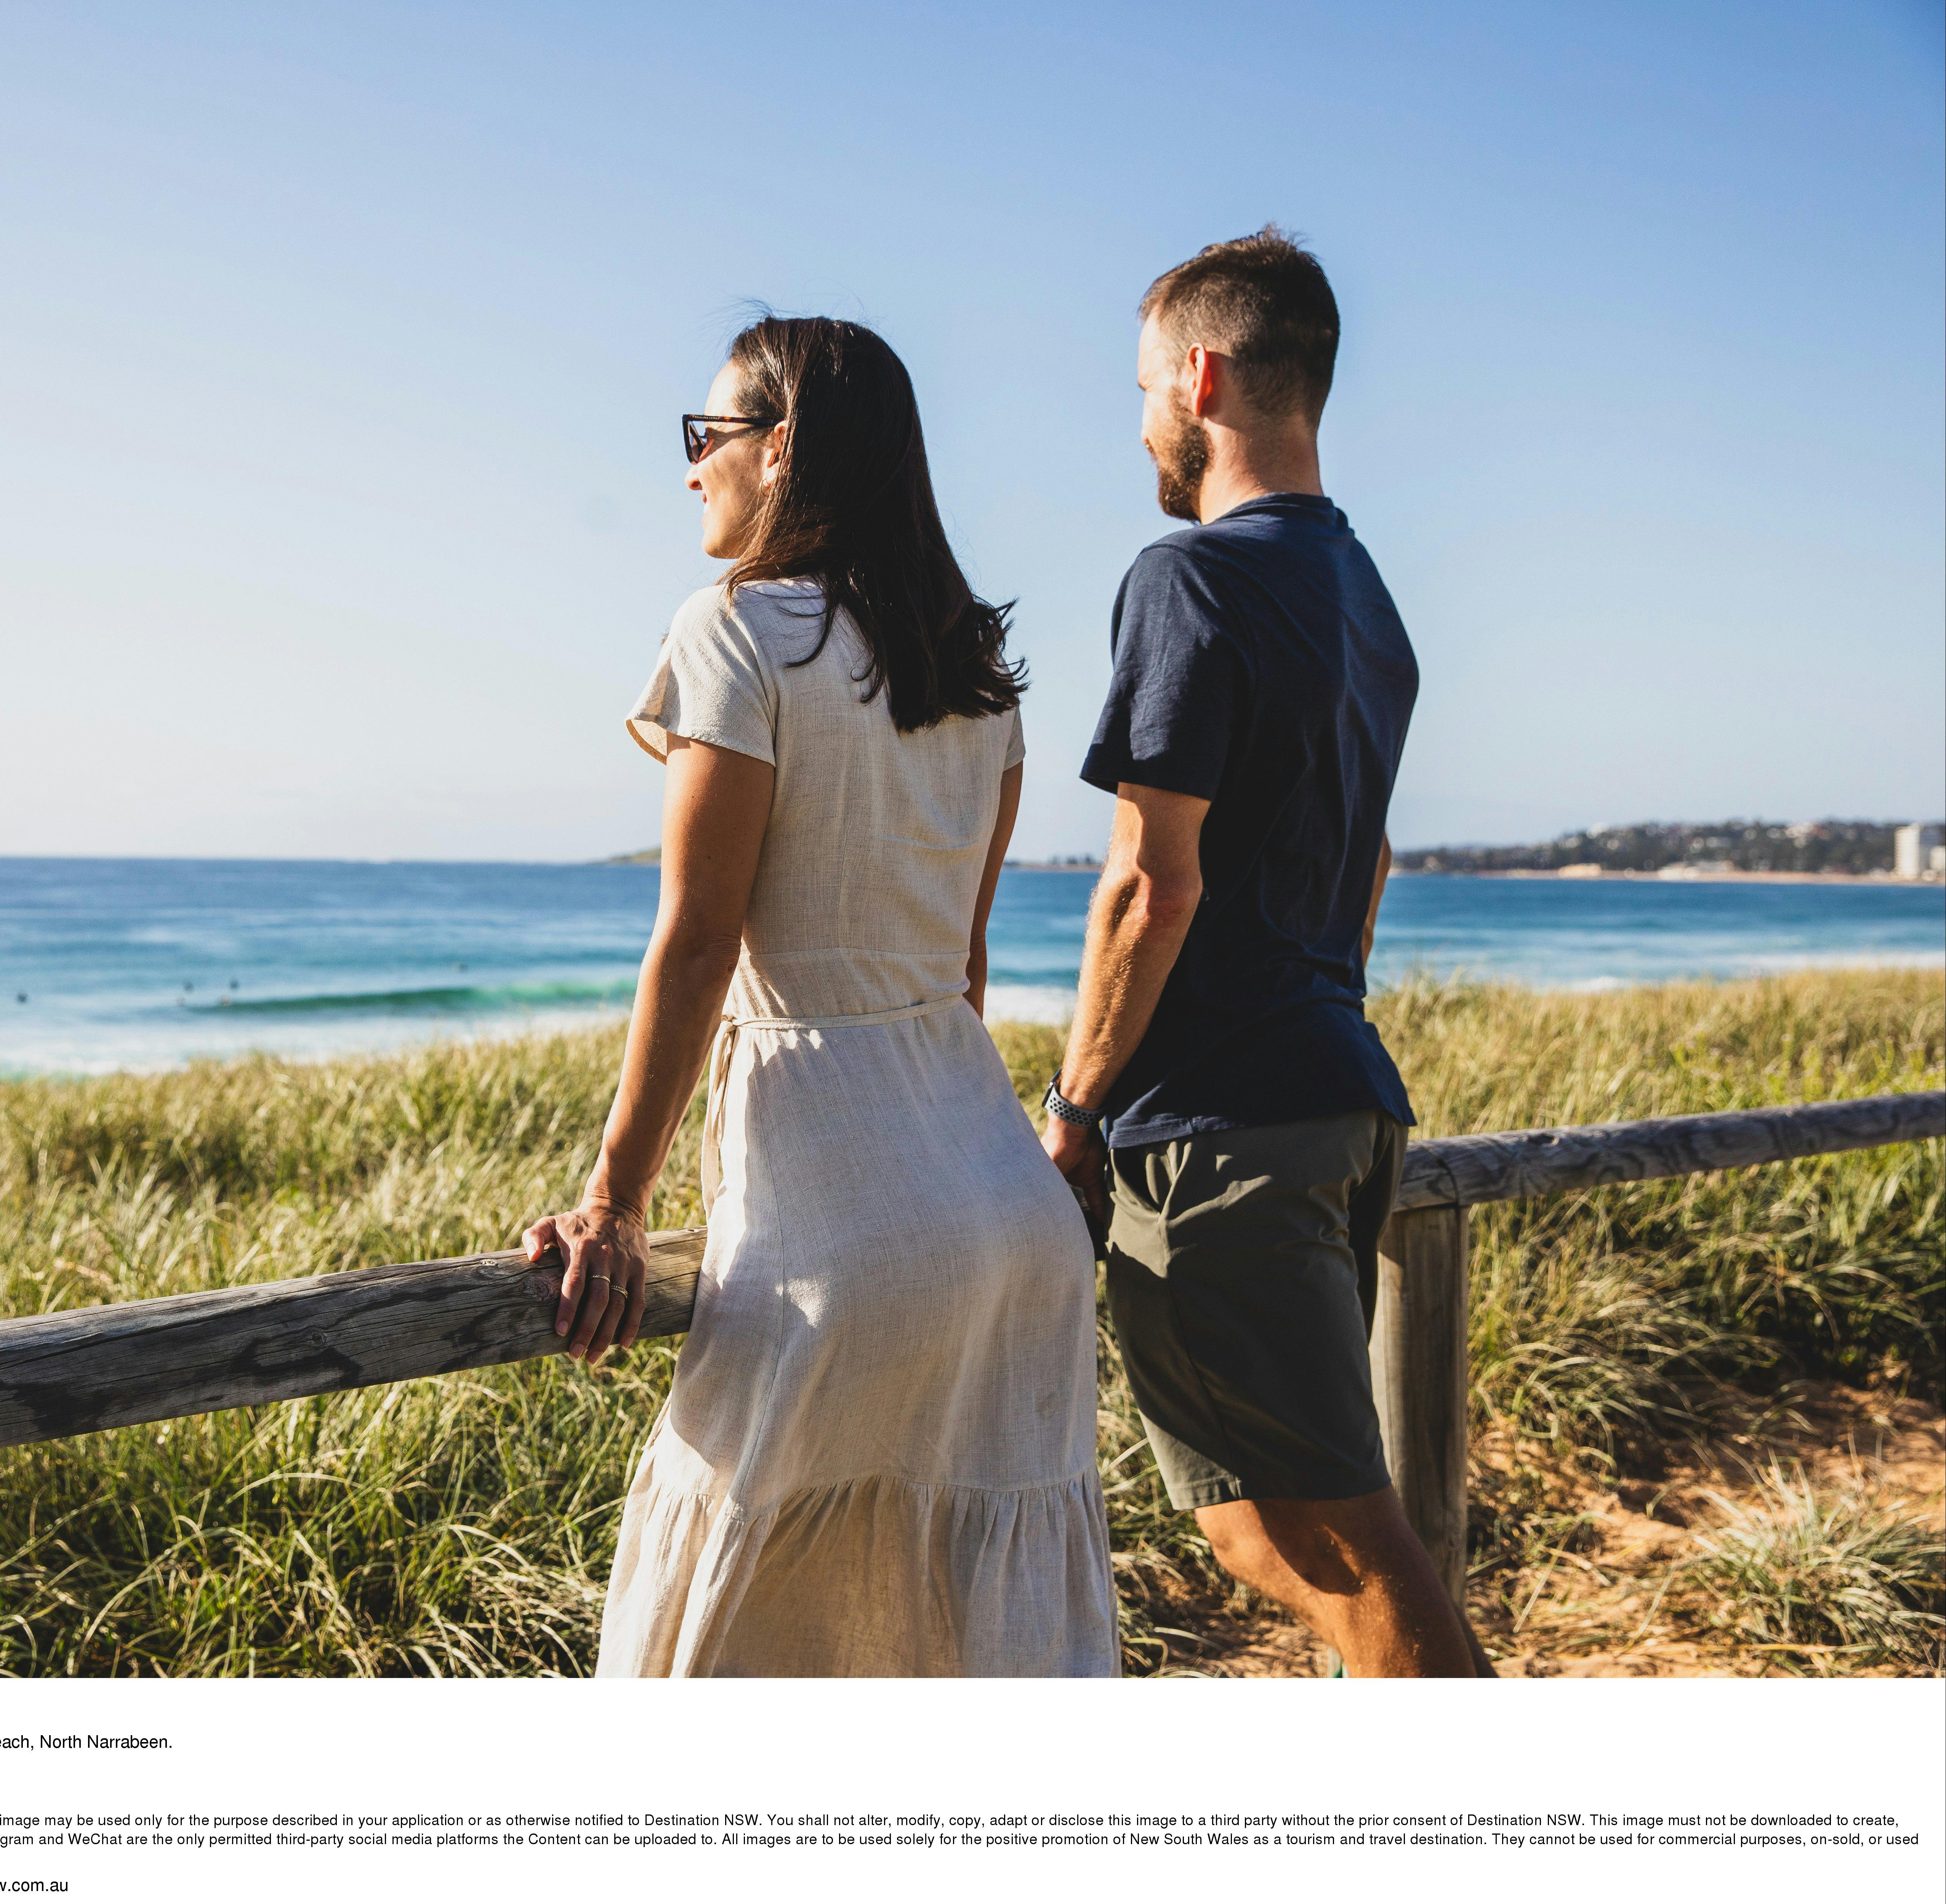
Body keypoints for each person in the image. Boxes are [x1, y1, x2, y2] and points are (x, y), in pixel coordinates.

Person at [524, 316, 1119, 1677]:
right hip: (1008, 1225)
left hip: (834, 1226)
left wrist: (614, 1199)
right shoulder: (973, 671)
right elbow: (961, 968)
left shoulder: (737, 632)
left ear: (780, 448)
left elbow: (699, 942)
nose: (694, 468)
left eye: (710, 435)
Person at [1042, 228, 1494, 1677]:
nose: (1141, 424)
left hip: (1223, 1131)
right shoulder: (1367, 595)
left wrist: (1073, 1109)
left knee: (1344, 1547)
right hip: (1338, 1099)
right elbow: (1369, 864)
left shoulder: (1190, 577)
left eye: (1142, 388)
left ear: (1201, 376)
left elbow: (1147, 886)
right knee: (1262, 1524)